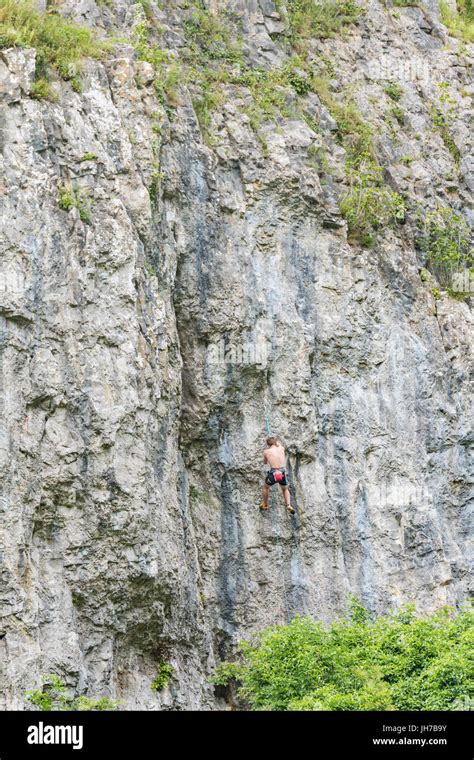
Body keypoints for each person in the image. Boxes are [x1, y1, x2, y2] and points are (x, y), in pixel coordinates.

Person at [260, 436, 295, 514]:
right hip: (282, 473)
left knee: (266, 487)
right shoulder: (281, 448)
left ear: (268, 445)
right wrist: (276, 442)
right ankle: (288, 505)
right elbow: (279, 445)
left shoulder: (266, 451)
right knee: (285, 489)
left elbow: (265, 462)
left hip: (273, 474)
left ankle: (265, 504)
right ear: (276, 443)